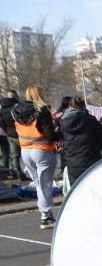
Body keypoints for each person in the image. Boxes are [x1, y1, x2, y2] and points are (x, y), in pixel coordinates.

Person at [12, 85, 61, 229]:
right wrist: (61, 133)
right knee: (45, 184)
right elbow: (50, 135)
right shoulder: (42, 110)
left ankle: (45, 213)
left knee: (38, 183)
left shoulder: (16, 110)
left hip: (25, 150)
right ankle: (45, 216)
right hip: (42, 149)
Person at [59, 97, 102, 186]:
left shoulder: (62, 121)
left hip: (72, 162)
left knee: (77, 190)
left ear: (69, 106)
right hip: (91, 159)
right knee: (94, 188)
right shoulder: (91, 120)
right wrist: (95, 148)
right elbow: (101, 138)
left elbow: (61, 139)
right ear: (83, 107)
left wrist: (66, 150)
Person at [0, 90, 25, 180]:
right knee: (25, 153)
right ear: (16, 96)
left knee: (14, 155)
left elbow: (2, 123)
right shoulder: (18, 106)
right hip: (20, 133)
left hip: (9, 133)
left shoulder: (2, 108)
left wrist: (7, 130)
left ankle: (17, 173)